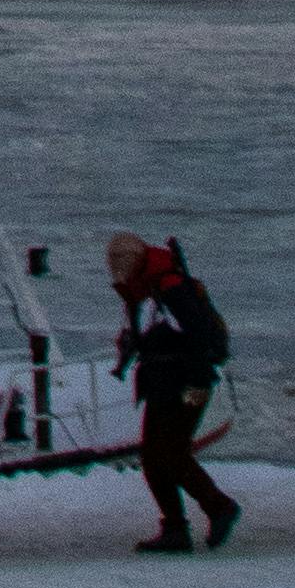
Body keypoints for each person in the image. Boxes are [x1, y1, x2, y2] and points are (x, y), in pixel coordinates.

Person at [108, 229, 239, 554]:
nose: (117, 275)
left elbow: (197, 336)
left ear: (136, 264)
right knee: (153, 457)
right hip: (162, 384)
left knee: (171, 453)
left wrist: (195, 384)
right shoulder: (148, 292)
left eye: (121, 267)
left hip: (189, 385)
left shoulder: (170, 288)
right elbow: (161, 336)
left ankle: (219, 507)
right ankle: (175, 529)